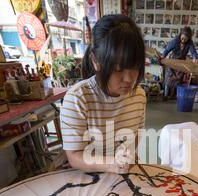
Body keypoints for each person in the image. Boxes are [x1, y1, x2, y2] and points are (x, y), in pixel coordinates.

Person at [60, 14, 146, 174]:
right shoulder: (78, 98)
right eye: (118, 69)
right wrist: (112, 163)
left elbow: (136, 135)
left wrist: (129, 154)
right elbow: (74, 156)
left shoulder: (139, 95)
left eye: (134, 67)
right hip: (88, 177)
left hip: (121, 174)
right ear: (96, 60)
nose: (128, 79)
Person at [160, 27, 198, 99]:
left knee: (178, 80)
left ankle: (174, 95)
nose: (184, 40)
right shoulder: (175, 41)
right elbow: (167, 50)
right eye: (183, 38)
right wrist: (162, 57)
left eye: (186, 39)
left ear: (189, 38)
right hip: (173, 62)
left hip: (181, 64)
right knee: (168, 79)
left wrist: (195, 57)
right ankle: (165, 95)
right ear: (181, 35)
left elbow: (193, 51)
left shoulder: (190, 43)